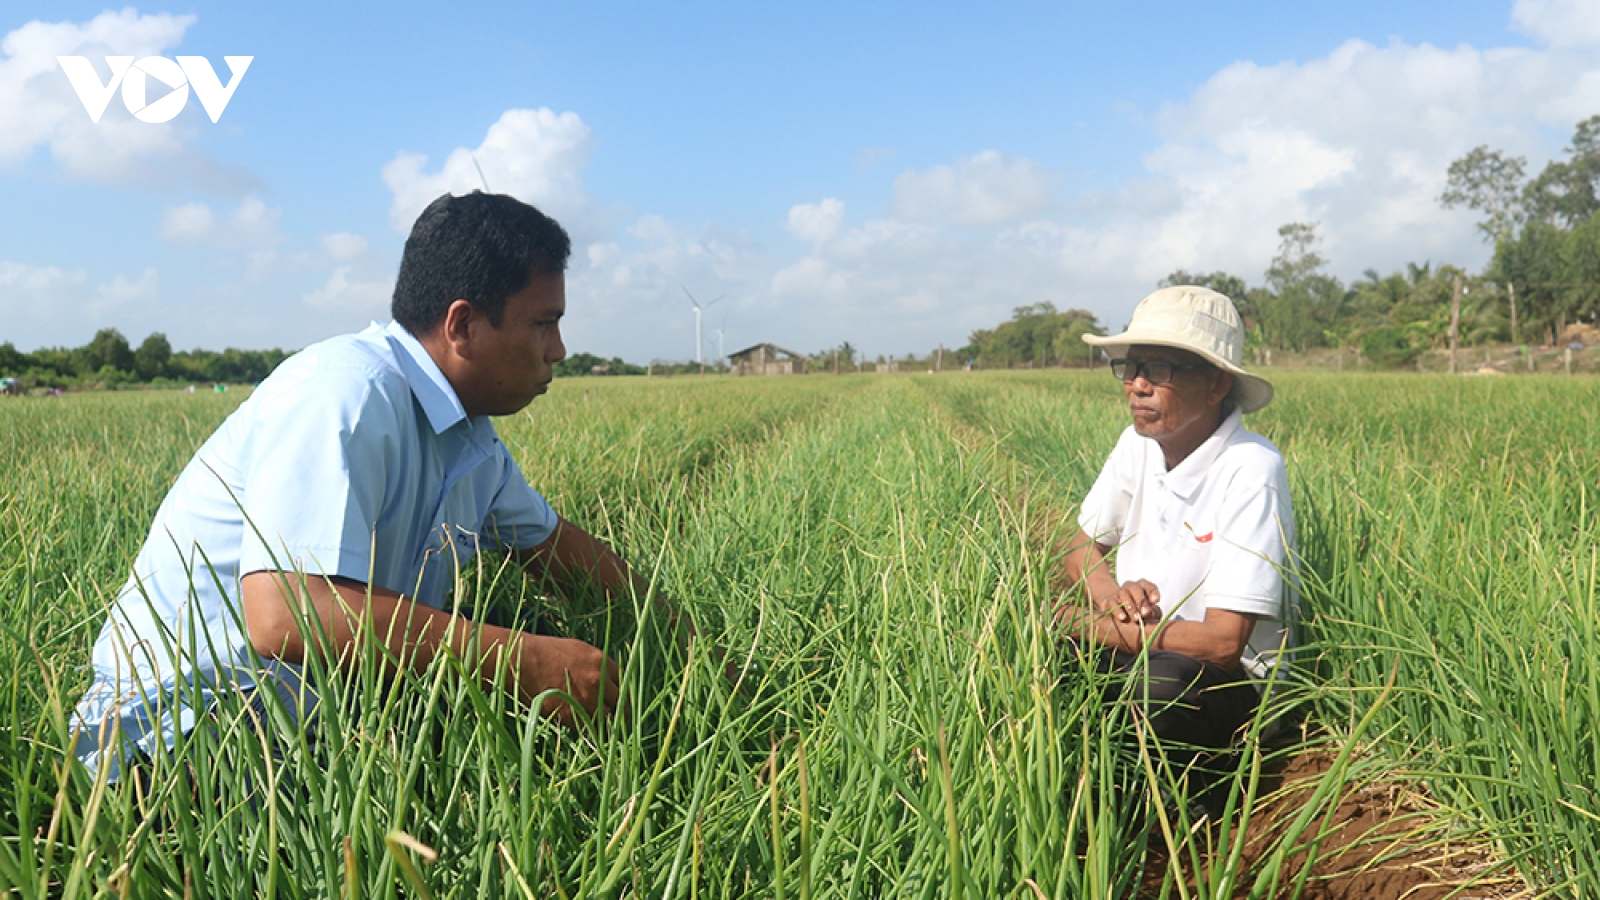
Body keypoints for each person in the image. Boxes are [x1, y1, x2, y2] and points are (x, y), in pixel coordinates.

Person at [73, 191, 657, 780]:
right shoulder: (346, 390)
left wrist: (687, 652)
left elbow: (565, 555)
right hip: (181, 727)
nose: (558, 350)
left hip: (315, 727)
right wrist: (522, 660)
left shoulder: (470, 441)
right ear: (462, 325)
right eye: (543, 324)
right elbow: (286, 614)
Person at [1057, 285, 1298, 786]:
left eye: (1160, 370)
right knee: (1046, 662)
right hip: (1146, 645)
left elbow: (1224, 643)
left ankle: (1177, 813)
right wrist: (1112, 599)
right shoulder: (1138, 443)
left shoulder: (1250, 467)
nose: (1136, 386)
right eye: (1131, 367)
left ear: (1215, 385)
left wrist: (1087, 624)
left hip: (1223, 685)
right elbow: (1080, 545)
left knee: (1156, 685)